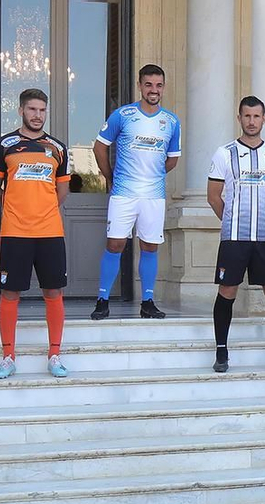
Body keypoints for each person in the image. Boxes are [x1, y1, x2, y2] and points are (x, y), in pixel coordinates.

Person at [0, 88, 71, 379]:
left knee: (54, 291)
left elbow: (61, 191)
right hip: (14, 232)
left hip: (50, 231)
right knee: (10, 292)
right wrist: (16, 208)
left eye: (42, 110)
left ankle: (54, 354)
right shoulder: (4, 145)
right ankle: (8, 356)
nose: (38, 115)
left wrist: (41, 208)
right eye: (32, 109)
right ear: (21, 110)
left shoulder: (58, 147)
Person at [207, 96, 265, 373]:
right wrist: (233, 220)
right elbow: (213, 196)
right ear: (239, 118)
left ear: (264, 119)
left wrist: (261, 219)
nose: (251, 121)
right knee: (227, 290)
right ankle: (221, 351)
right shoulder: (224, 153)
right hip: (234, 238)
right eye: (247, 116)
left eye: (256, 116)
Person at [92, 63, 179, 320]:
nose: (154, 90)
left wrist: (152, 176)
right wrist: (110, 176)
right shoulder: (123, 114)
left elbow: (172, 159)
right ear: (140, 85)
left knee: (150, 247)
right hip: (124, 193)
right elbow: (99, 148)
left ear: (163, 87)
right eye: (149, 84)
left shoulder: (171, 121)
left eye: (159, 85)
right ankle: (102, 299)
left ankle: (148, 301)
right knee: (115, 244)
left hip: (153, 195)